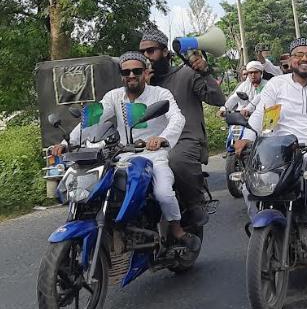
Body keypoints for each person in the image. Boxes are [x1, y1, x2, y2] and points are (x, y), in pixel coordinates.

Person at [50, 52, 200, 251]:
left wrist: (162, 138)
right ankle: (115, 229)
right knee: (98, 188)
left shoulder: (160, 94)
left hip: (153, 155)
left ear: (146, 73)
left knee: (163, 193)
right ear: (121, 75)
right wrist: (66, 143)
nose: (131, 75)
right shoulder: (114, 97)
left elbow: (177, 118)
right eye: (126, 71)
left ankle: (176, 229)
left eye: (136, 71)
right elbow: (93, 119)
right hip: (122, 155)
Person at [233, 37, 307, 257]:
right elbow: (261, 115)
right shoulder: (276, 85)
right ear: (289, 60)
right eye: (299, 55)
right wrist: (247, 136)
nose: (304, 59)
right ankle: (263, 233)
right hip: (282, 150)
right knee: (248, 187)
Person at [139, 28, 226, 217]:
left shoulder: (187, 73)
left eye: (151, 51)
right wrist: (145, 88)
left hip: (185, 139)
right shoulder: (142, 81)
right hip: (150, 141)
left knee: (175, 160)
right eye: (143, 52)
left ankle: (196, 201)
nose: (147, 56)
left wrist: (204, 73)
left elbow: (218, 100)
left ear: (164, 52)